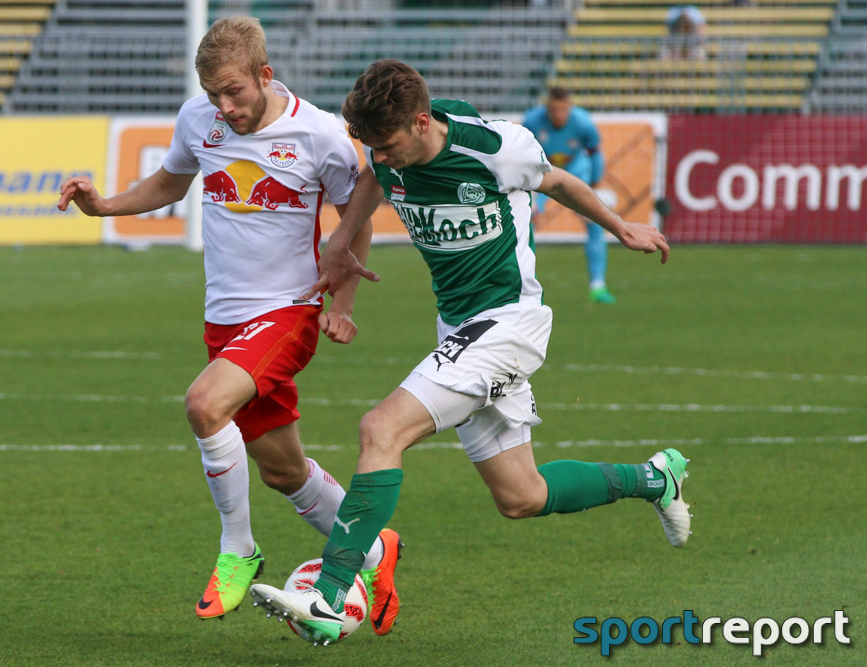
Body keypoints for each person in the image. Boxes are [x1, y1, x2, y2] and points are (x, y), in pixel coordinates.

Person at [248, 59, 690, 646]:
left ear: (422, 122)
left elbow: (558, 182)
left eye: (388, 144)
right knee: (521, 495)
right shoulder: (388, 148)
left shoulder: (497, 149)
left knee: (381, 429)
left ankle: (328, 593)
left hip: (509, 323)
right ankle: (655, 478)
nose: (382, 155)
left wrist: (620, 227)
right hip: (460, 329)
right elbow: (373, 177)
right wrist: (342, 237)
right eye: (373, 146)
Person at [55, 17, 402, 635]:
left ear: (265, 75)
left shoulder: (320, 134)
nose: (224, 106)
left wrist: (342, 305)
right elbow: (170, 181)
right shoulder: (200, 119)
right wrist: (103, 205)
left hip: (288, 311)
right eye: (213, 93)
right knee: (283, 471)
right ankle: (377, 551)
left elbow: (355, 223)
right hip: (224, 321)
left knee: (204, 404)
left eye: (234, 91)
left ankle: (238, 548)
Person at [522, 87, 616, 304]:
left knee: (595, 220)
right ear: (547, 108)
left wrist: (594, 184)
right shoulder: (532, 122)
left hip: (575, 171)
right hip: (544, 171)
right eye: (554, 110)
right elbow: (522, 156)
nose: (558, 115)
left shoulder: (583, 123)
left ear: (569, 108)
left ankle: (598, 286)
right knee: (525, 221)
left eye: (562, 110)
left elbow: (594, 153)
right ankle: (522, 284)